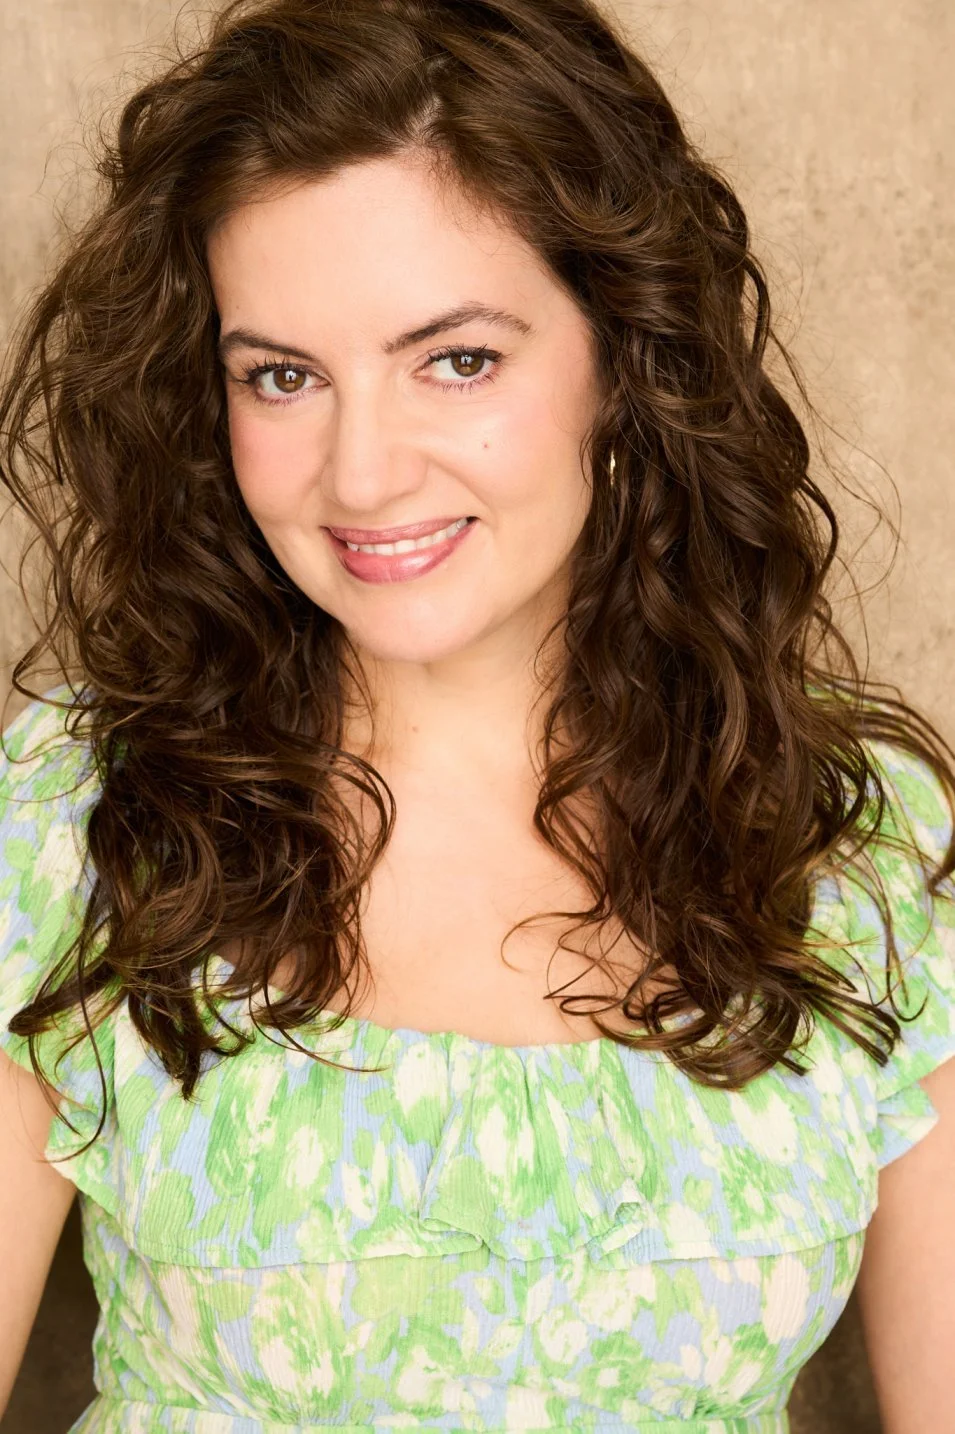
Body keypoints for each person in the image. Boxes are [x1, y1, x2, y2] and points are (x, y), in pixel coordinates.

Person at [0, 0, 953, 1429]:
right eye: (282, 376)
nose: (361, 474)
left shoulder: (853, 835)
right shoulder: (75, 815)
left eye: (456, 359)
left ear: (625, 357)